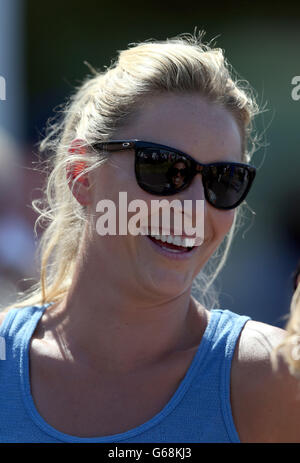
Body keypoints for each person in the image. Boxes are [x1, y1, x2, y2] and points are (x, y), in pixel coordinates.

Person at [0, 32, 299, 444]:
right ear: (81, 175)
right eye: (163, 169)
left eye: (223, 180)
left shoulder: (273, 379)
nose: (194, 207)